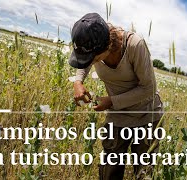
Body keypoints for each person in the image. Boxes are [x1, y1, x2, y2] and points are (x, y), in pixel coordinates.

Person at [69, 13, 163, 180]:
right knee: (109, 170)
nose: (89, 62)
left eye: (92, 59)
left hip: (146, 115)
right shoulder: (93, 44)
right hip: (118, 114)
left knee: (144, 173)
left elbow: (148, 88)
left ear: (107, 46)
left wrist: (112, 101)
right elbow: (84, 62)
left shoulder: (134, 45)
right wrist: (78, 82)